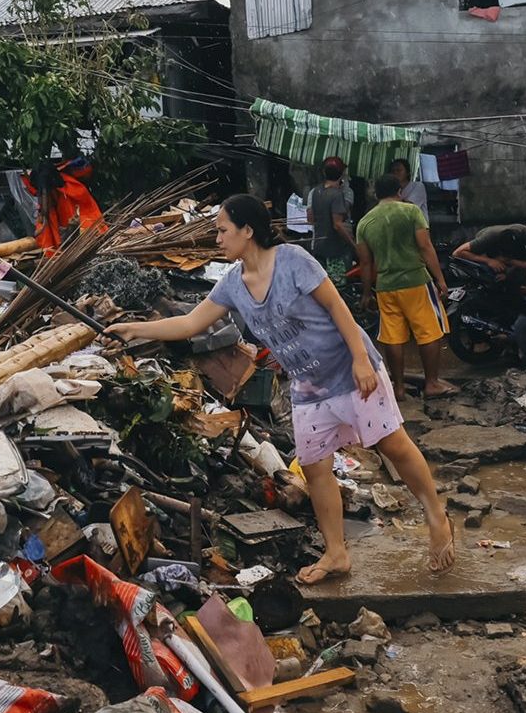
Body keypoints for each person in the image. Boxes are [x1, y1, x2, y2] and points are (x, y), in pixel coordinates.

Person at [106, 195, 455, 582]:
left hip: (349, 370)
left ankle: (436, 516)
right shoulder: (232, 284)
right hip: (308, 386)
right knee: (314, 467)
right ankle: (336, 553)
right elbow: (190, 324)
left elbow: (339, 307)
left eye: (223, 230)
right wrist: (133, 328)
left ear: (247, 231)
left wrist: (360, 359)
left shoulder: (292, 260)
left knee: (392, 444)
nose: (217, 239)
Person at [355, 175, 456, 399]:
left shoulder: (365, 222)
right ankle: (431, 384)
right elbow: (425, 246)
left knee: (393, 336)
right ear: (399, 191)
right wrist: (440, 279)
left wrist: (365, 293)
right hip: (415, 281)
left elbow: (365, 262)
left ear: (376, 194)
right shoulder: (411, 212)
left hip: (385, 286)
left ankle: (398, 389)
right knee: (429, 332)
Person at [307, 156, 355, 274]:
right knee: (338, 286)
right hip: (336, 250)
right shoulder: (338, 194)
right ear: (342, 173)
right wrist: (354, 245)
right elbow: (338, 225)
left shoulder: (315, 192)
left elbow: (310, 219)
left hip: (318, 247)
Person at [453, 223, 526, 277]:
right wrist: (489, 261)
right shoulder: (489, 237)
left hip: (514, 261)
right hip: (487, 254)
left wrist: (509, 274)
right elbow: (457, 253)